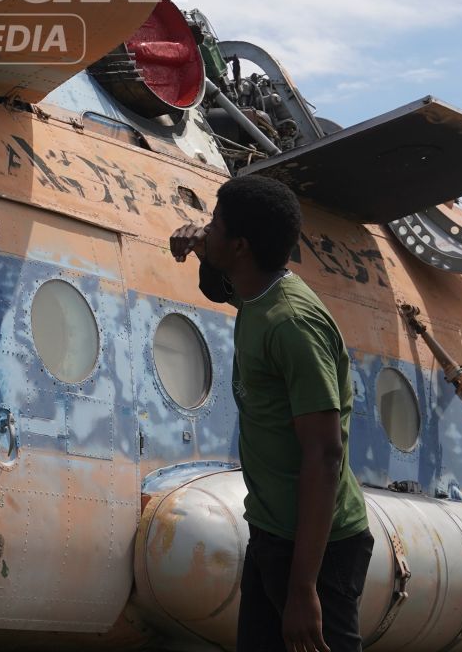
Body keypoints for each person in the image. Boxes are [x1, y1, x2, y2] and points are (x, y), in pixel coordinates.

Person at [169, 176, 373, 652]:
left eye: (214, 225)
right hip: (273, 533)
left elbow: (324, 456)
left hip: (317, 550)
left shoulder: (293, 324)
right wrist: (201, 243)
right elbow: (221, 286)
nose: (205, 229)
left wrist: (304, 590)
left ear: (240, 245)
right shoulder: (256, 291)